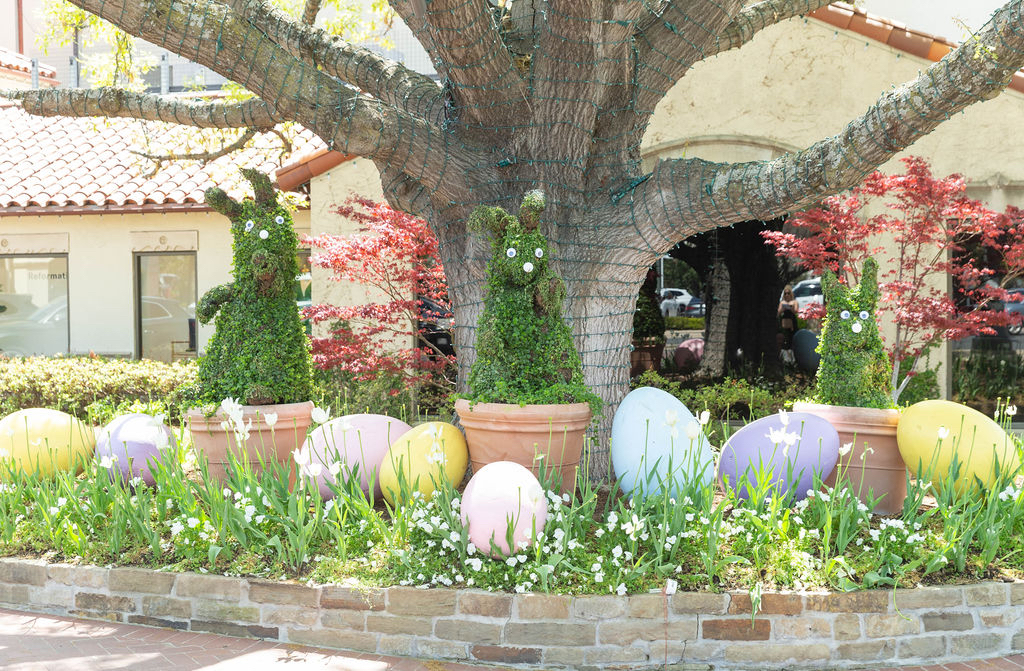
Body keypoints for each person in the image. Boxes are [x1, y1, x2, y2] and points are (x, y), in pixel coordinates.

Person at [778, 285, 799, 358]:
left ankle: (792, 357)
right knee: (784, 341)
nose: (787, 295)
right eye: (785, 293)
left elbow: (796, 311)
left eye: (788, 293)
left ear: (791, 294)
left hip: (792, 323)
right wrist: (783, 308)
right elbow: (778, 313)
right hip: (784, 323)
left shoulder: (794, 302)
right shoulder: (782, 302)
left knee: (792, 340)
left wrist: (790, 308)